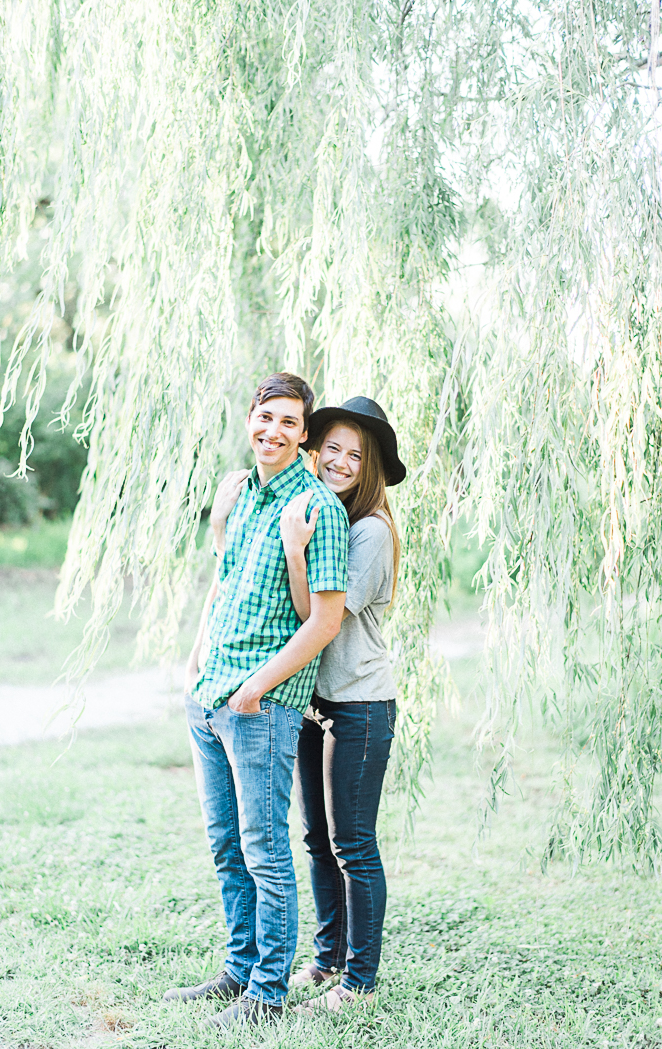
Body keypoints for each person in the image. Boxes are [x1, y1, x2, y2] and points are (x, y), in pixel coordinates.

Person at [163, 373, 349, 1029]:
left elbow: (323, 622)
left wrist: (256, 684)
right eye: (265, 416)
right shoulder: (244, 492)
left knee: (265, 851)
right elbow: (226, 577)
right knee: (227, 847)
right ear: (251, 417)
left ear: (304, 435)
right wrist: (195, 656)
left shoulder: (317, 509)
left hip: (259, 707)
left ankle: (266, 994)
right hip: (209, 693)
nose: (273, 430)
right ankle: (237, 971)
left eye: (288, 422)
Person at [278, 395, 406, 1013]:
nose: (342, 461)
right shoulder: (330, 518)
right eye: (333, 448)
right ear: (316, 449)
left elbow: (320, 621)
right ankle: (327, 961)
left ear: (369, 466)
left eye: (356, 455)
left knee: (353, 842)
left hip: (359, 704)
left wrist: (297, 552)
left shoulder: (371, 531)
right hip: (316, 701)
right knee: (316, 836)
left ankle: (359, 982)